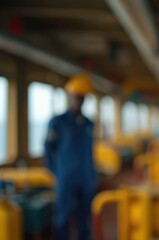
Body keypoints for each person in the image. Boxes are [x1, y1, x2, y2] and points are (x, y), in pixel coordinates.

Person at [44, 73, 97, 240]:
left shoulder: (89, 124)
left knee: (84, 218)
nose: (79, 100)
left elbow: (89, 151)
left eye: (82, 97)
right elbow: (48, 149)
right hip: (65, 178)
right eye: (76, 96)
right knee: (62, 217)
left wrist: (92, 174)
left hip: (86, 178)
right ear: (70, 96)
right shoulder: (57, 122)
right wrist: (55, 172)